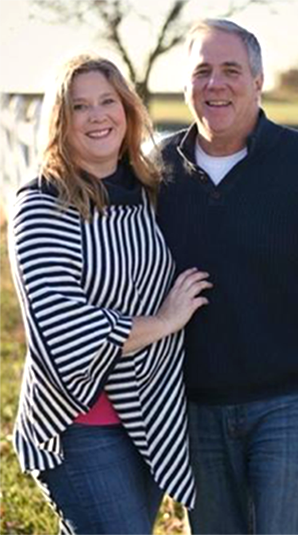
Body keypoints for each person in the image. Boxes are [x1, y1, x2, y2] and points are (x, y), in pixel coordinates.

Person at [156, 19, 298, 535]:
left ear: (259, 80)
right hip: (195, 408)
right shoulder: (156, 173)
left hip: (295, 403)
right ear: (187, 84)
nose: (215, 84)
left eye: (231, 70)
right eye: (202, 72)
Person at [9, 53, 212, 535]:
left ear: (128, 109)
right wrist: (165, 321)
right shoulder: (42, 205)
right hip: (79, 424)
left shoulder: (148, 193)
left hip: (149, 418)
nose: (97, 115)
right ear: (60, 122)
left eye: (107, 100)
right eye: (79, 107)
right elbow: (65, 329)